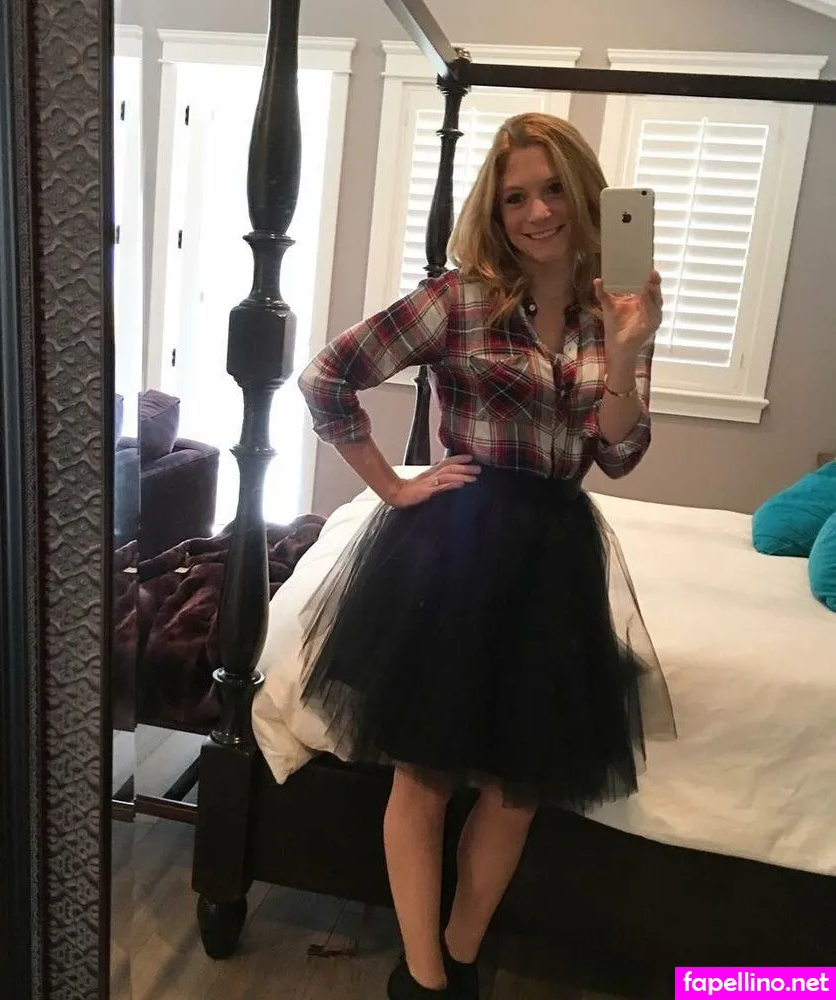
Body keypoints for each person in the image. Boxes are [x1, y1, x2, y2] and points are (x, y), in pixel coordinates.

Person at [295, 113, 677, 1000]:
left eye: (552, 190)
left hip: (555, 556)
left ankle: (460, 955)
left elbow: (619, 452)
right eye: (514, 198)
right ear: (494, 212)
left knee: (517, 786)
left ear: (583, 196)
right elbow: (327, 377)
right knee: (424, 773)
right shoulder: (457, 300)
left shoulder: (616, 311)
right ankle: (422, 978)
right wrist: (391, 487)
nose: (537, 212)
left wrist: (625, 353)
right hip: (458, 547)